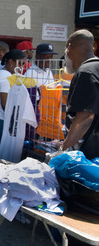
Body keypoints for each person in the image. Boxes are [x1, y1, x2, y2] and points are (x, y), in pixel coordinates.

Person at [62, 29, 99, 160]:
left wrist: (64, 150)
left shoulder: (85, 72)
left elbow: (85, 119)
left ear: (70, 47)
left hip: (89, 154)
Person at [0, 49, 26, 153]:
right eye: (20, 63)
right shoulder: (6, 77)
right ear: (10, 62)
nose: (21, 67)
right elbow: (5, 104)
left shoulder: (3, 74)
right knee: (2, 151)